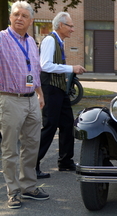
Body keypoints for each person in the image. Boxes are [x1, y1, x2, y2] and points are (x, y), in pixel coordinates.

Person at [0, 0, 49, 209]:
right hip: (10, 99)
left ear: (31, 20)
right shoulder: (1, 39)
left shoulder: (31, 41)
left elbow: (34, 70)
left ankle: (29, 186)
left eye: (24, 15)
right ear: (10, 17)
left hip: (31, 99)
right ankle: (13, 191)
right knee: (10, 149)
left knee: (31, 146)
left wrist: (40, 93)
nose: (19, 18)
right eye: (16, 14)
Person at [36, 12, 86, 179]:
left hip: (59, 89)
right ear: (60, 26)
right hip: (50, 88)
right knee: (49, 125)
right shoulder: (50, 40)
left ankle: (65, 161)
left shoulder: (60, 41)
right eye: (70, 26)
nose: (72, 29)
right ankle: (32, 164)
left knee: (67, 124)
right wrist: (71, 68)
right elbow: (45, 66)